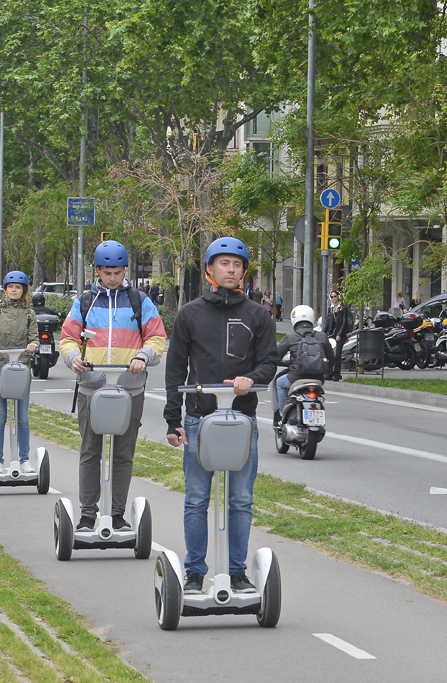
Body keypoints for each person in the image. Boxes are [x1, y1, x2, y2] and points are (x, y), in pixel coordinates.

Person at [164, 236, 279, 595]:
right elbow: (175, 369)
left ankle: (238, 573)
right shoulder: (190, 314)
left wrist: (253, 379)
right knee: (197, 498)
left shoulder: (258, 314)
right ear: (210, 269)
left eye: (237, 265)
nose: (231, 270)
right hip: (200, 419)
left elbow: (269, 362)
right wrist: (173, 420)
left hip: (242, 421)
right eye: (224, 263)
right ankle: (195, 572)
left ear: (244, 272)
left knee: (241, 500)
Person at [60, 241, 167, 531]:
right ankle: (87, 515)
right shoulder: (84, 301)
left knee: (123, 453)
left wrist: (143, 357)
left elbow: (157, 338)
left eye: (118, 272)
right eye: (107, 273)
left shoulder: (139, 300)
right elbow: (68, 337)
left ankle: (117, 514)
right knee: (90, 451)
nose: (113, 278)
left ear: (125, 271)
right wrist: (72, 358)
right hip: (91, 388)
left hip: (129, 388)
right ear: (97, 271)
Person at [0, 271, 39, 474]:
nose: (14, 290)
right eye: (11, 286)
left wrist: (32, 345)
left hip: (20, 370)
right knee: (0, 417)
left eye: (18, 287)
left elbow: (35, 339)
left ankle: (24, 460)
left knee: (22, 417)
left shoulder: (30, 314)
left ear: (24, 291)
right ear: (5, 289)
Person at [274, 305, 334, 416]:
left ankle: (282, 414)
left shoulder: (290, 337)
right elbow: (331, 360)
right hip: (318, 379)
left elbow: (275, 357)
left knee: (279, 383)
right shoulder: (322, 336)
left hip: (296, 378)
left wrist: (283, 363)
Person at [322, 290, 349, 381]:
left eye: (335, 296)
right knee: (329, 354)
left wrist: (340, 334)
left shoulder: (343, 308)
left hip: (339, 335)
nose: (333, 299)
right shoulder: (330, 309)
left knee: (337, 355)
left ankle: (337, 374)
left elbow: (344, 322)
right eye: (332, 297)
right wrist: (323, 333)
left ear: (338, 297)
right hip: (331, 334)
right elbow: (327, 322)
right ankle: (329, 373)